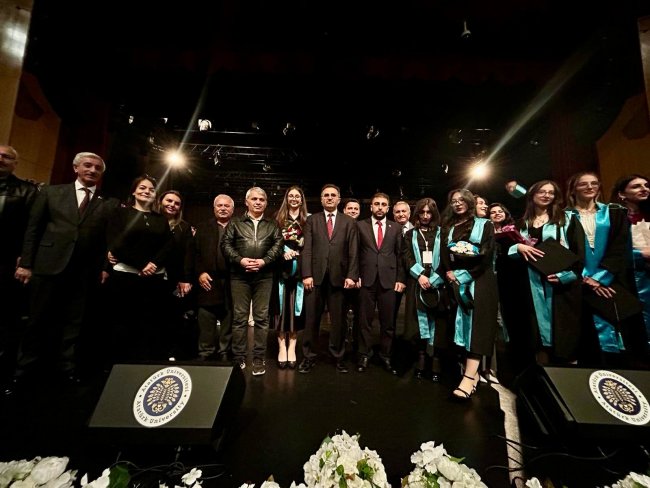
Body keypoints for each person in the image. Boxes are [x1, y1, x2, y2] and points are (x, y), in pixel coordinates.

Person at [14, 152, 118, 383]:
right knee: (37, 319)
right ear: (75, 168)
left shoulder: (108, 202)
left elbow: (108, 239)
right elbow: (33, 229)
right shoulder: (51, 192)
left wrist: (104, 267)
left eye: (97, 168)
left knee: (74, 322)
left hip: (84, 271)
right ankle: (25, 369)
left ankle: (65, 369)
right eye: (87, 165)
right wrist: (26, 264)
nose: (92, 170)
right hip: (48, 265)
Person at [565, 172, 648, 367]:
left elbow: (620, 247)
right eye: (583, 184)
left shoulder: (614, 212)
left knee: (623, 333)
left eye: (594, 183)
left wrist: (601, 277)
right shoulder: (564, 216)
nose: (590, 187)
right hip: (579, 283)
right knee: (588, 338)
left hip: (612, 279)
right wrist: (585, 278)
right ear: (573, 189)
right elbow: (566, 251)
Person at [507, 180, 585, 375]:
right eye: (542, 191)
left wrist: (566, 276)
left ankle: (569, 379)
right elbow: (506, 254)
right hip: (531, 285)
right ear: (532, 195)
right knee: (535, 336)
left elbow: (579, 253)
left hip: (560, 287)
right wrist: (517, 247)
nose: (546, 195)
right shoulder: (522, 223)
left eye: (551, 192)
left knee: (565, 335)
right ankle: (543, 378)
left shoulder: (566, 219)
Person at [105, 175, 175, 362]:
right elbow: (116, 242)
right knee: (123, 322)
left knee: (149, 323)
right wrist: (141, 265)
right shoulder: (120, 213)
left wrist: (153, 264)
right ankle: (118, 365)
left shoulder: (160, 219)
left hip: (153, 278)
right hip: (126, 276)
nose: (147, 191)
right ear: (134, 191)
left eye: (151, 189)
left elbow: (168, 245)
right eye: (142, 188)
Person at [441, 189, 498, 401]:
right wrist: (450, 272)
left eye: (461, 200)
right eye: (453, 201)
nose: (457, 203)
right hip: (455, 281)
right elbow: (445, 254)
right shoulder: (449, 227)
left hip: (479, 280)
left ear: (469, 202)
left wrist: (465, 275)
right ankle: (471, 375)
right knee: (461, 328)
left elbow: (487, 255)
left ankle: (467, 377)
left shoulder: (484, 224)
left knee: (477, 328)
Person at [222, 187, 283, 376]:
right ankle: (238, 357)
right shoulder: (235, 222)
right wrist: (240, 260)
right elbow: (225, 244)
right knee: (240, 318)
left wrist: (264, 261)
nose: (258, 202)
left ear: (266, 203)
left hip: (264, 276)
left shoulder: (272, 224)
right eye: (254, 199)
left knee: (262, 319)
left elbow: (278, 244)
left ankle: (258, 358)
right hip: (239, 276)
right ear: (246, 202)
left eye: (261, 199)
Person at [299, 184, 359, 374]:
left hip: (339, 277)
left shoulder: (349, 222)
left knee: (339, 321)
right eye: (326, 195)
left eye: (333, 195)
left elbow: (353, 251)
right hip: (314, 278)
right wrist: (306, 274)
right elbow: (307, 249)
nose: (330, 197)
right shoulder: (312, 220)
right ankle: (308, 356)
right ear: (321, 199)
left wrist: (352, 275)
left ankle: (338, 357)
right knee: (311, 320)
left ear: (339, 199)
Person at [0, 145, 38, 391]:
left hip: (7, 263)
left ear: (15, 163)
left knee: (7, 318)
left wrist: (25, 260)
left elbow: (31, 229)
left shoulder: (27, 190)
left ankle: (5, 372)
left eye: (7, 157)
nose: (1, 159)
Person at [355, 192, 405, 374]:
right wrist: (355, 275)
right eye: (377, 204)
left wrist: (400, 279)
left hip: (389, 280)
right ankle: (364, 354)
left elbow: (400, 255)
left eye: (383, 204)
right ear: (371, 206)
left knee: (388, 323)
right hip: (365, 279)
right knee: (364, 322)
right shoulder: (360, 226)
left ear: (388, 208)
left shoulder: (396, 228)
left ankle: (386, 356)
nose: (380, 207)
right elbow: (354, 253)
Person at [403, 198, 450, 381]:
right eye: (422, 212)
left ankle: (436, 360)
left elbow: (447, 259)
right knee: (418, 322)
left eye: (428, 212)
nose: (425, 216)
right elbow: (406, 257)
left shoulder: (442, 233)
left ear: (434, 213)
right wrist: (420, 275)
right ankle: (421, 358)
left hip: (438, 282)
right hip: (417, 282)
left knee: (438, 322)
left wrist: (435, 279)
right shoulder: (410, 234)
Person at [610, 174, 650, 351]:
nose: (644, 189)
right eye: (636, 186)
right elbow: (613, 251)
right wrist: (641, 254)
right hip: (631, 277)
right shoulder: (614, 218)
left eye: (646, 185)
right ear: (622, 194)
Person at [195, 194, 235, 362]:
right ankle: (205, 351)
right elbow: (195, 253)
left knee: (229, 316)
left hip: (231, 279)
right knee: (206, 316)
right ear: (214, 208)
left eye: (227, 206)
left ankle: (225, 351)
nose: (223, 208)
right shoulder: (203, 227)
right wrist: (200, 272)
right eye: (219, 205)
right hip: (208, 279)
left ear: (232, 209)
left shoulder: (239, 226)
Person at [272, 186, 309, 369]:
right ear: (286, 199)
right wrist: (282, 252)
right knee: (281, 310)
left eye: (297, 196)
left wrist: (299, 254)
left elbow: (311, 246)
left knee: (296, 311)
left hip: (300, 272)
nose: (294, 199)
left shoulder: (308, 220)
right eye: (291, 196)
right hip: (281, 271)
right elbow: (271, 242)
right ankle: (281, 347)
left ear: (302, 200)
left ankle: (292, 346)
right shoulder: (277, 219)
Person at [159, 190, 196, 359]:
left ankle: (171, 353)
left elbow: (188, 254)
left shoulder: (184, 227)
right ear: (160, 202)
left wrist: (185, 279)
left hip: (174, 278)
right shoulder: (150, 221)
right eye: (169, 201)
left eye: (177, 203)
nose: (172, 205)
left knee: (173, 317)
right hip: (150, 276)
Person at [343, 198, 362, 355]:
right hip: (341, 277)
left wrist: (357, 275)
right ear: (344, 210)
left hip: (358, 279)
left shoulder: (363, 227)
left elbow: (363, 255)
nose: (353, 211)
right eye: (350, 208)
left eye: (356, 209)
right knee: (341, 312)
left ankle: (356, 344)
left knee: (358, 313)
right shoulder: (339, 226)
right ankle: (342, 342)